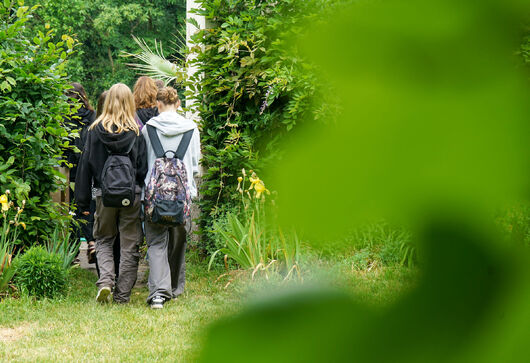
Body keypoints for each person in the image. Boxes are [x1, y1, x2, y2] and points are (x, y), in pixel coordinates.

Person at [75, 83, 148, 304]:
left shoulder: (94, 131)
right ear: (130, 102)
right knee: (129, 245)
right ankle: (123, 295)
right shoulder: (136, 132)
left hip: (103, 195)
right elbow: (143, 169)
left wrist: (82, 201)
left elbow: (84, 168)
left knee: (104, 239)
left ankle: (106, 281)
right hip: (131, 195)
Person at [142, 86, 200, 309]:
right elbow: (194, 166)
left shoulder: (149, 129)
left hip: (154, 197)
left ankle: (158, 293)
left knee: (156, 242)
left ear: (158, 104)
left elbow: (144, 161)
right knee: (178, 241)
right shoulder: (191, 129)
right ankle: (175, 287)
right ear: (177, 104)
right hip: (182, 197)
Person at [64, 82, 96, 262]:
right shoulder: (92, 116)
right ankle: (92, 242)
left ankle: (73, 249)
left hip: (67, 167)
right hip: (86, 166)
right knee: (86, 206)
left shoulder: (63, 117)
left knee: (69, 208)